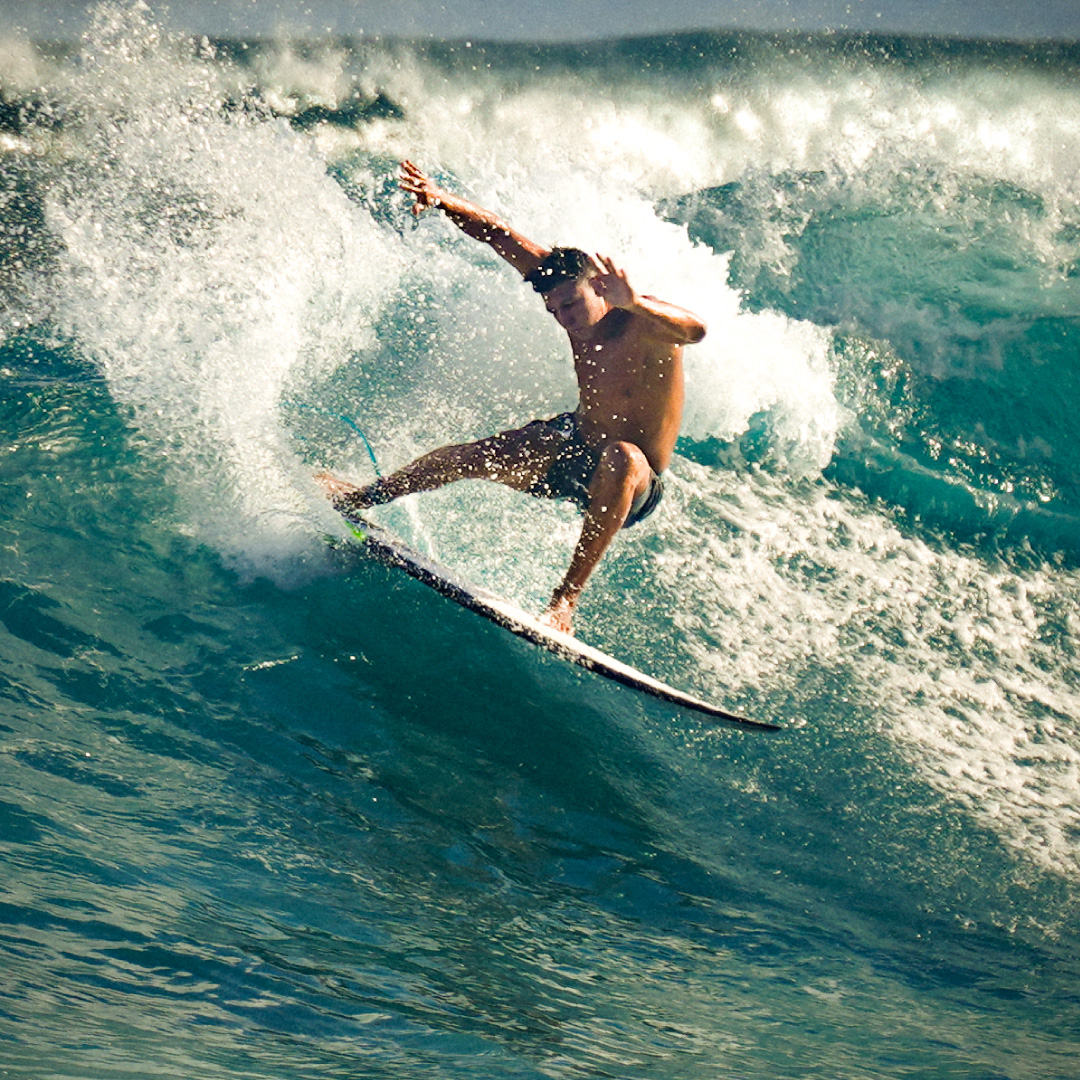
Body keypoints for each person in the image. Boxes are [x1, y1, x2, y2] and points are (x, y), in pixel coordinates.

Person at [317, 160, 706, 634]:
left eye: (571, 304)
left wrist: (635, 300)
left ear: (600, 287)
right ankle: (362, 497)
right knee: (471, 457)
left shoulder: (642, 322)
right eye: (554, 308)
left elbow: (697, 330)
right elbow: (497, 234)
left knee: (622, 457)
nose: (563, 317)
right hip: (574, 449)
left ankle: (565, 602)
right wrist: (440, 199)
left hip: (635, 481)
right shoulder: (561, 286)